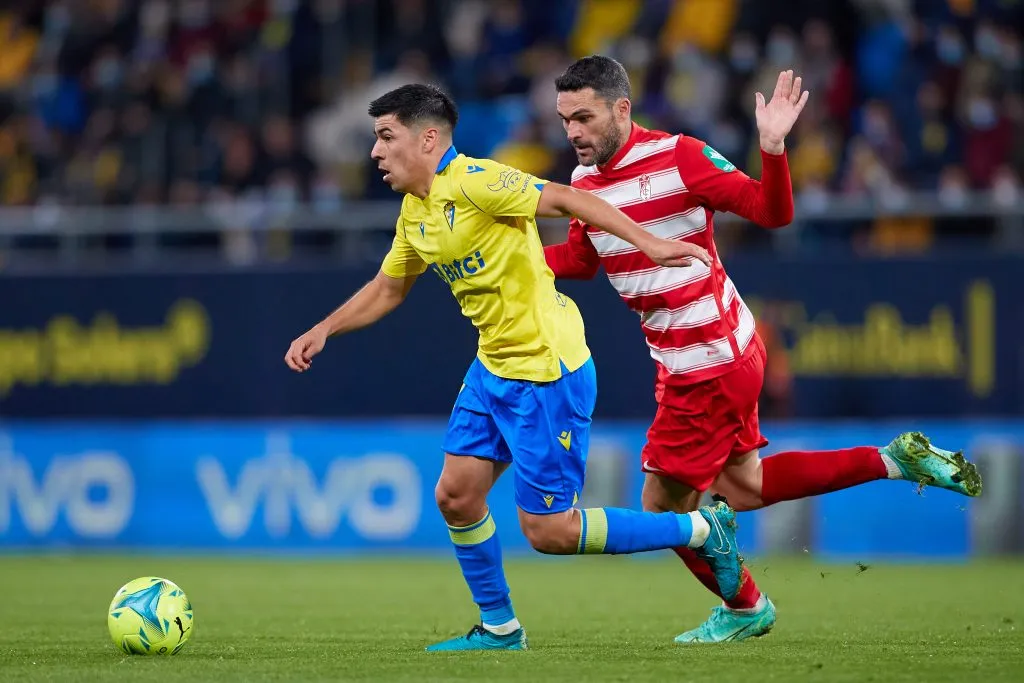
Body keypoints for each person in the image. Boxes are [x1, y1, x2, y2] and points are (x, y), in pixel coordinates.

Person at [284, 83, 748, 652]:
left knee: (550, 532)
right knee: (456, 494)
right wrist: (324, 329)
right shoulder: (416, 212)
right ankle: (501, 628)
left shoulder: (477, 182)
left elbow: (569, 199)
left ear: (428, 139)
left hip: (546, 370)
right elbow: (388, 287)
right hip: (493, 367)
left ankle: (701, 528)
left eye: (386, 136)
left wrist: (649, 243)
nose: (375, 151)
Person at [544, 56, 983, 643]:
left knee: (662, 509)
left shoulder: (679, 157)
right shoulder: (583, 182)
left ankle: (747, 606)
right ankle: (892, 460)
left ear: (622, 109)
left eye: (584, 117)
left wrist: (772, 148)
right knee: (744, 486)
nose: (573, 132)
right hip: (709, 354)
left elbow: (772, 212)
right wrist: (502, 260)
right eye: (565, 119)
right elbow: (579, 260)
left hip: (707, 358)